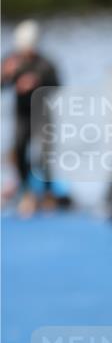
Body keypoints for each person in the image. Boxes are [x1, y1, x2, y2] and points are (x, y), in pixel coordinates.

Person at [1, 19, 62, 216]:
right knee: (18, 149)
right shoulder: (11, 61)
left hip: (41, 114)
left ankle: (48, 194)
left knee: (44, 154)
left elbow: (57, 85)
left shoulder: (45, 63)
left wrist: (37, 83)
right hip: (21, 114)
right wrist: (5, 75)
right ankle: (26, 192)